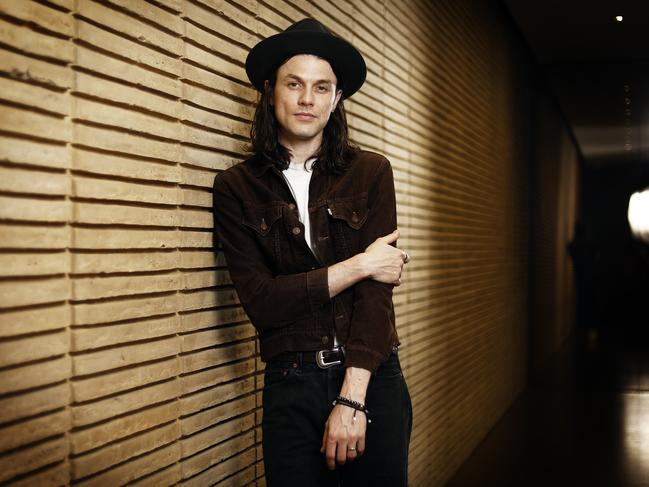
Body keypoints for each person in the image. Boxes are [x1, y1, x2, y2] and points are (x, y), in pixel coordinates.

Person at [212, 18, 412, 487]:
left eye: (322, 87)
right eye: (294, 84)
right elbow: (263, 302)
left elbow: (375, 300)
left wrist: (353, 397)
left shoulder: (370, 173)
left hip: (373, 377)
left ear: (336, 98)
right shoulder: (236, 187)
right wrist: (360, 264)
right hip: (291, 384)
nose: (308, 99)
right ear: (269, 91)